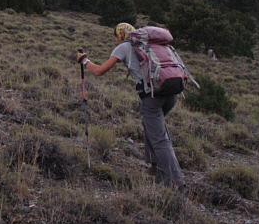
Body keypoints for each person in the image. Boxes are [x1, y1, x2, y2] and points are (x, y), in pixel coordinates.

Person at [77, 22, 186, 189]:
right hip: (171, 93)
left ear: (120, 35)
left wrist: (84, 61)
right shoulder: (151, 45)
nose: (114, 40)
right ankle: (156, 169)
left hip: (152, 97)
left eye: (115, 37)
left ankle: (175, 184)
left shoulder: (124, 47)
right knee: (153, 128)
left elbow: (99, 71)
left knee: (160, 139)